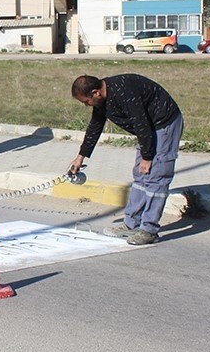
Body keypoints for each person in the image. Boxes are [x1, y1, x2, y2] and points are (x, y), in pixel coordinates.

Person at [68, 74, 184, 245]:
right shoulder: (102, 99)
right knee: (140, 175)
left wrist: (147, 156)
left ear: (96, 93)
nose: (86, 105)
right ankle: (132, 223)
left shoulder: (124, 91)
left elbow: (141, 123)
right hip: (147, 129)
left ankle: (149, 230)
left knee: (156, 176)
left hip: (163, 123)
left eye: (86, 101)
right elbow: (95, 126)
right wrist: (80, 157)